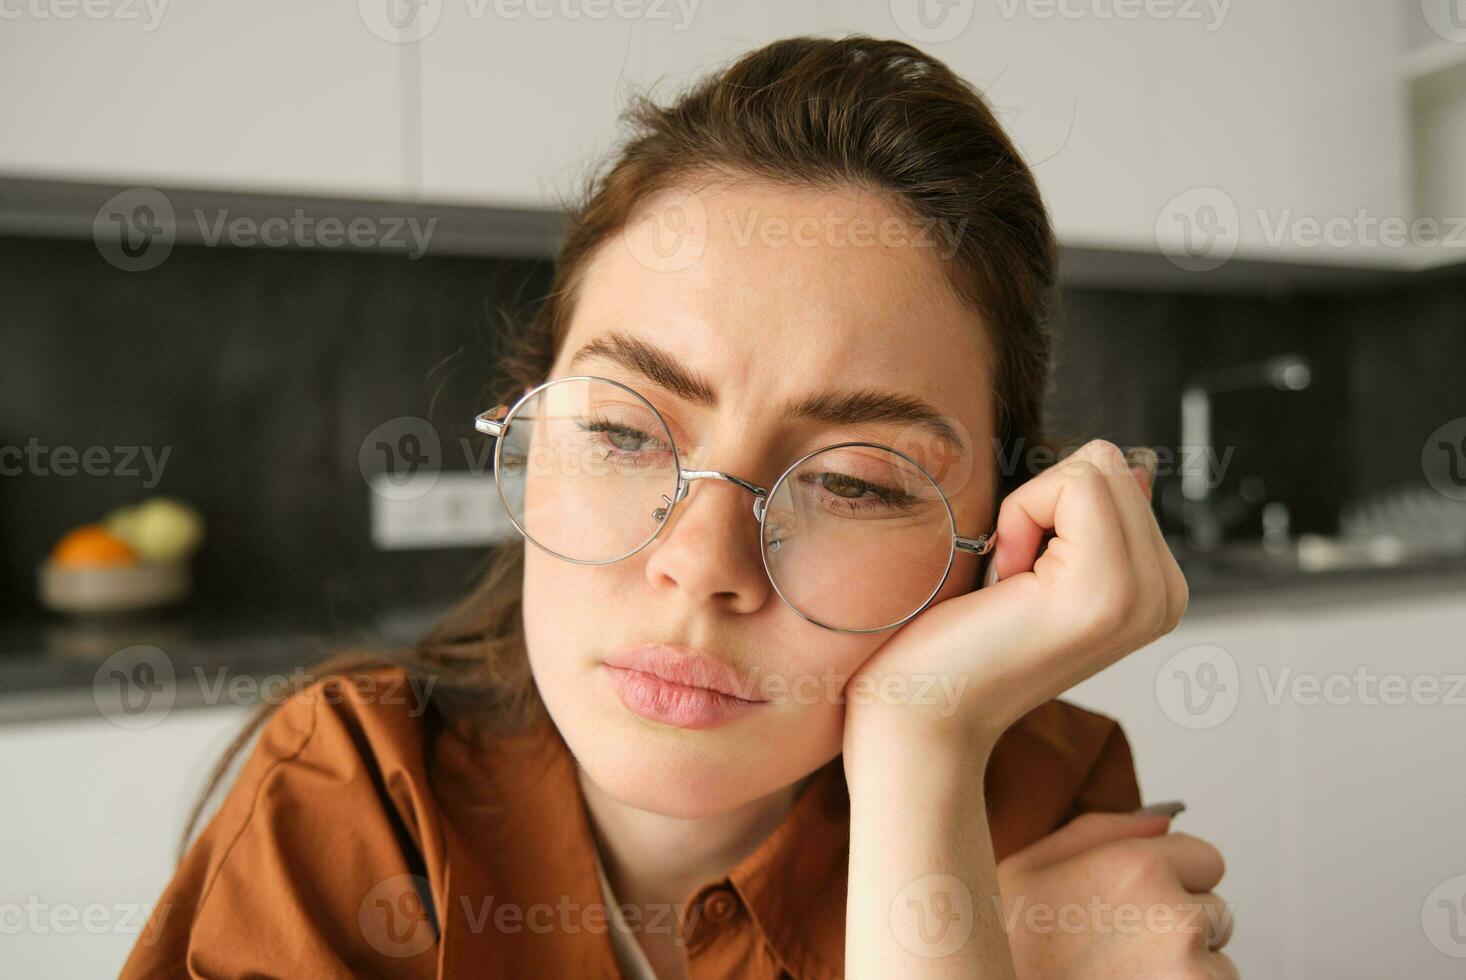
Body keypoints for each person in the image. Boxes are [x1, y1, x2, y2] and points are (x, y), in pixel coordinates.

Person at [121, 34, 1230, 979]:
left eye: (854, 481)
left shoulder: (1031, 788)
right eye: (623, 431)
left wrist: (920, 739)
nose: (703, 560)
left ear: (996, 534)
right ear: (528, 430)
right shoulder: (351, 797)